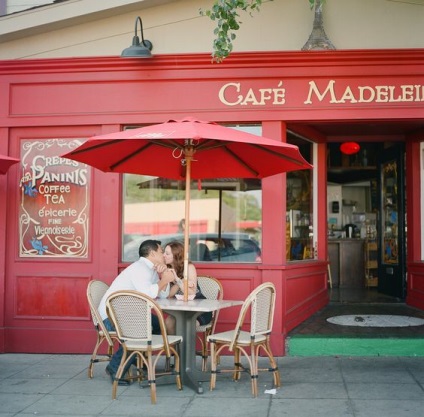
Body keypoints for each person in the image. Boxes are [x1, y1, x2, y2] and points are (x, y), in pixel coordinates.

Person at [98, 239, 175, 385]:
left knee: (159, 325)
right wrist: (164, 280)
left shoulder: (150, 269)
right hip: (111, 316)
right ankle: (115, 368)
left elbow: (162, 295)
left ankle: (138, 357)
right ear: (152, 253)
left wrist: (163, 276)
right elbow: (147, 294)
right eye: (161, 251)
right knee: (141, 334)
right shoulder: (140, 269)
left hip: (127, 314)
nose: (164, 255)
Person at [163, 241, 212, 335]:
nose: (164, 255)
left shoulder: (189, 267)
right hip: (181, 310)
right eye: (164, 253)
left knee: (188, 325)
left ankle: (186, 350)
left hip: (199, 310)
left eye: (167, 253)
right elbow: (169, 294)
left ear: (176, 255)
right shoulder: (168, 269)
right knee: (168, 323)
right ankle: (174, 350)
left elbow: (191, 293)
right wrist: (178, 281)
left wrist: (177, 280)